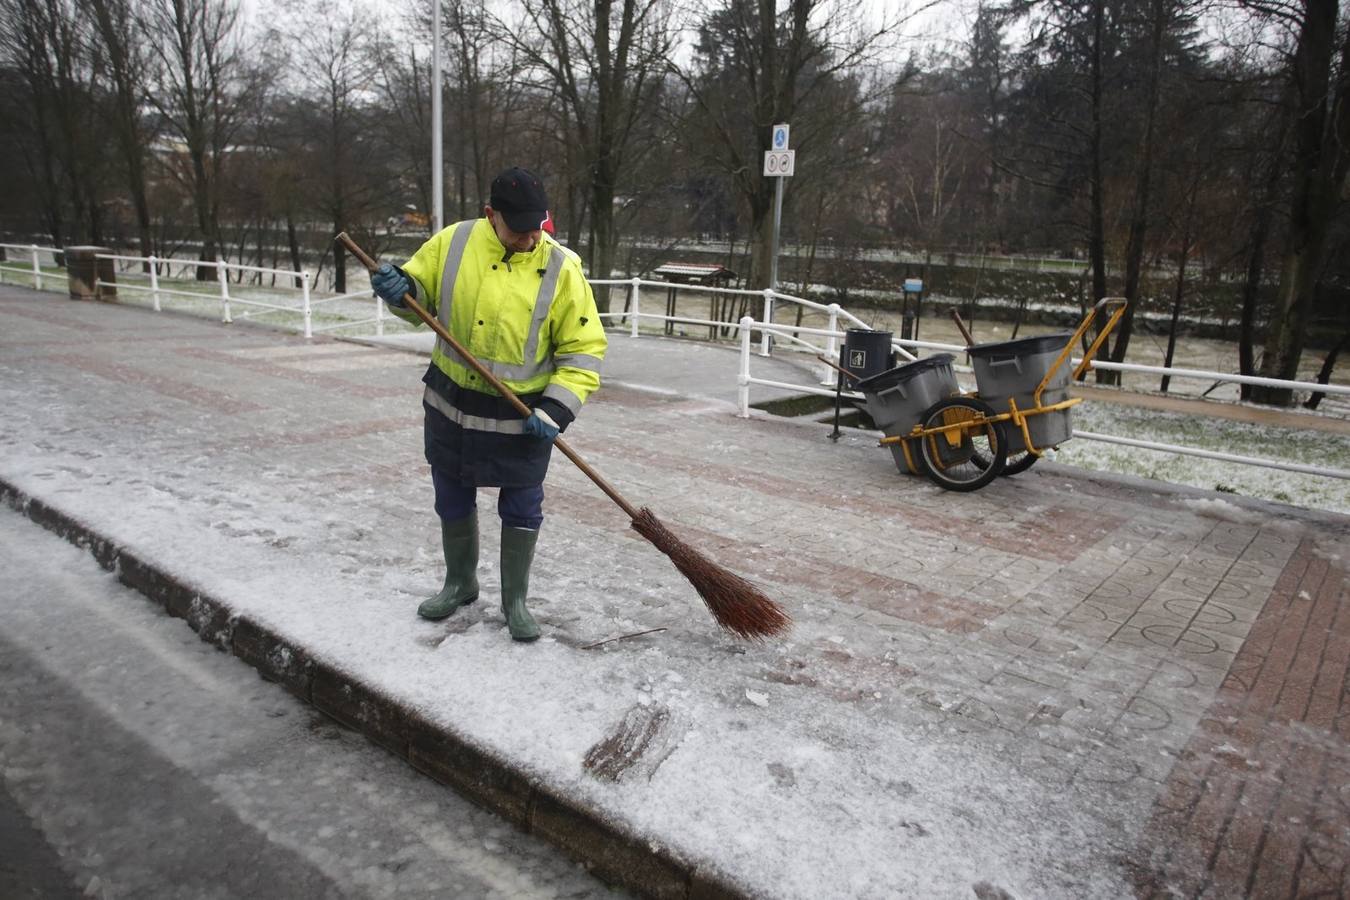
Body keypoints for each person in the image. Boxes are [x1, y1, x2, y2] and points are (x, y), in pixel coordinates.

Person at [369, 167, 607, 642]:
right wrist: (400, 290)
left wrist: (555, 411)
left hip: (522, 419)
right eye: (516, 227)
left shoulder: (563, 269)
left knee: (521, 507)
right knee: (452, 498)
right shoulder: (454, 242)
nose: (526, 238)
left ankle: (514, 600)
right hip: (450, 407)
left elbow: (583, 351)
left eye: (535, 227)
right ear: (489, 215)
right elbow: (418, 292)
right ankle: (459, 583)